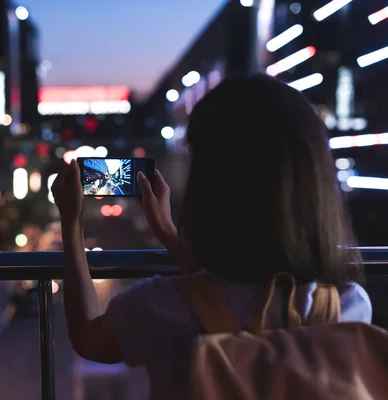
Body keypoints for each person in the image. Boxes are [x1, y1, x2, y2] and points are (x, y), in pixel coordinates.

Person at [51, 75, 372, 399]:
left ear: (212, 184)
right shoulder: (347, 308)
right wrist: (167, 232)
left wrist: (72, 221)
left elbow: (88, 336)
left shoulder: (161, 306)